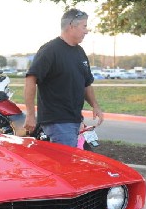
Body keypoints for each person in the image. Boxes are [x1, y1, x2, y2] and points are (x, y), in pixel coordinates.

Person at [23, 8, 104, 148]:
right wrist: (30, 114)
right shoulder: (50, 50)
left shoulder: (79, 52)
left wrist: (95, 105)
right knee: (66, 165)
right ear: (71, 25)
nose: (87, 31)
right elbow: (31, 79)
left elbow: (86, 83)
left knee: (77, 160)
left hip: (75, 119)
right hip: (57, 121)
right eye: (84, 26)